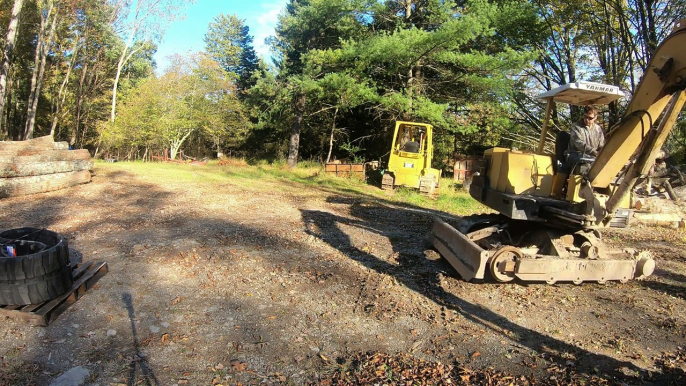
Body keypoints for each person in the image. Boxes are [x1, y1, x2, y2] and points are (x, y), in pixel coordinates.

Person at [567, 105, 604, 173]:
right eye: (585, 117)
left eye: (590, 118)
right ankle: (582, 181)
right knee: (584, 162)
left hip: (592, 156)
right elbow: (579, 143)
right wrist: (594, 152)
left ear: (595, 117)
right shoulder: (576, 127)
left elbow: (601, 145)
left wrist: (603, 153)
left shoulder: (598, 129)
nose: (587, 120)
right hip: (576, 154)